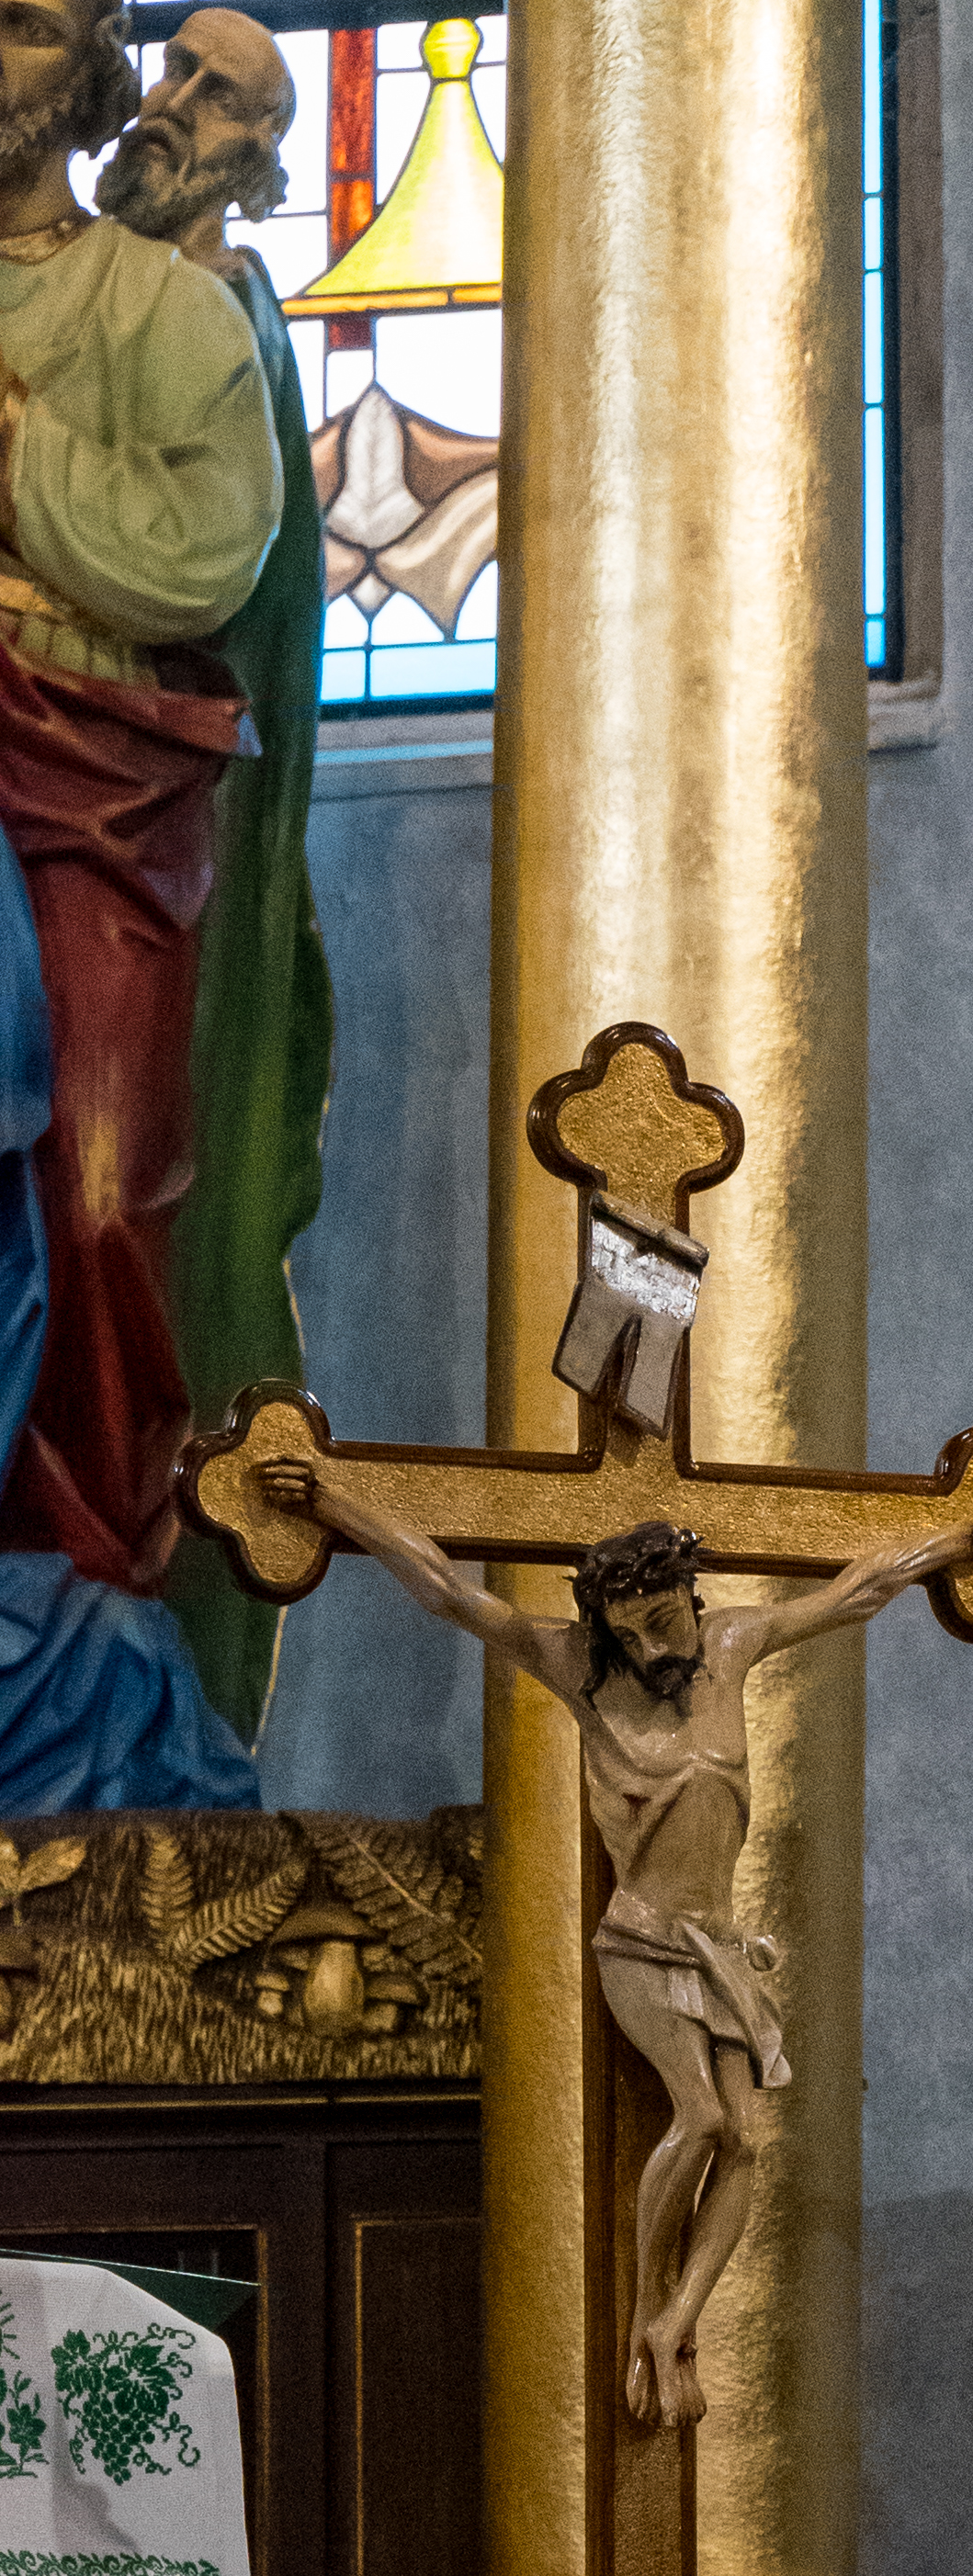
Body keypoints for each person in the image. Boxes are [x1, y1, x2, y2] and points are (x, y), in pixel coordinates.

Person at [258, 1465, 973, 2424]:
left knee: (747, 2136)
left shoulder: (734, 1644)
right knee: (700, 2118)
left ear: (691, 1597)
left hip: (721, 1946)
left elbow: (854, 1588)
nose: (656, 1643)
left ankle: (676, 2322)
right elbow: (448, 1588)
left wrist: (949, 1542)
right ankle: (645, 2306)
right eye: (632, 1629)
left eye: (666, 1617)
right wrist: (330, 1501)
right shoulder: (582, 1672)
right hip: (642, 1939)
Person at [0, 0, 286, 1808]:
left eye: (17, 19)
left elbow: (195, 552)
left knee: (98, 1195)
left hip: (91, 781)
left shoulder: (161, 312)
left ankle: (85, 1597)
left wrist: (17, 437)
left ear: (84, 67)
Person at [98, 10, 332, 1763]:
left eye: (220, 98)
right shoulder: (62, 278)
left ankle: (119, 1581)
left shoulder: (233, 322)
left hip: (151, 828)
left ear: (263, 156)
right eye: (170, 71)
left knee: (137, 1202)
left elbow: (234, 607)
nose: (175, 108)